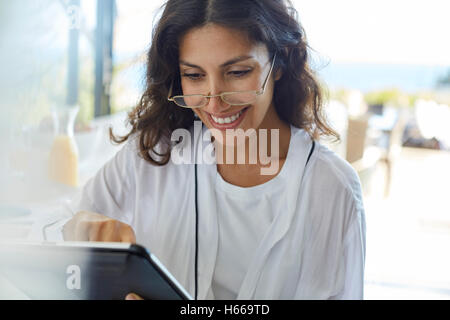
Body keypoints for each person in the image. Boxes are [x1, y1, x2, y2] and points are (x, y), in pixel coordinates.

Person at [63, 0, 366, 300]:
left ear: (279, 62)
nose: (215, 103)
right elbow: (54, 233)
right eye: (194, 76)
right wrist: (79, 228)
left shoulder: (332, 189)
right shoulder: (152, 155)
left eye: (237, 72)